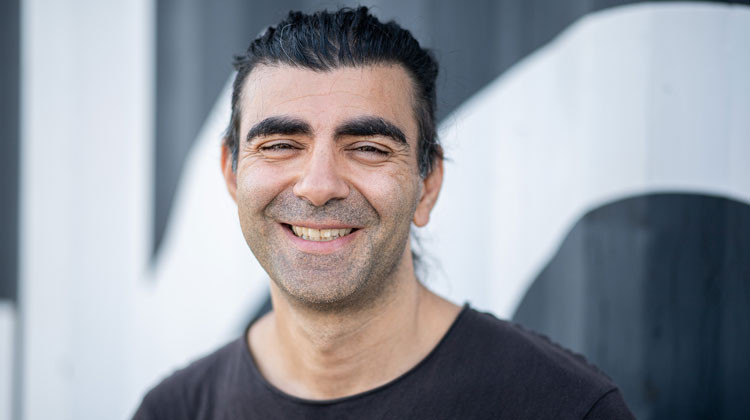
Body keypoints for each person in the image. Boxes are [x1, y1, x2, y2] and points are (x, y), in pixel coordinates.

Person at [134, 7, 634, 419]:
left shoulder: (567, 407)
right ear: (232, 172)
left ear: (427, 183)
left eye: (369, 148)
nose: (319, 186)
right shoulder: (174, 410)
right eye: (281, 144)